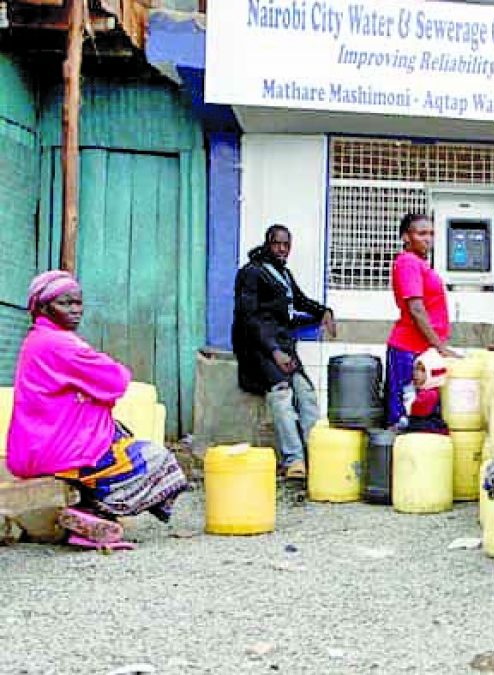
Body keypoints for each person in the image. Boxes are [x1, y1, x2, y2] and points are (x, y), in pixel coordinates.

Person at [6, 271, 189, 551]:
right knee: (159, 461)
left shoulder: (38, 340)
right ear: (43, 308)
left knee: (116, 432)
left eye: (78, 303)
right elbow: (116, 379)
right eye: (65, 303)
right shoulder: (60, 344)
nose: (76, 310)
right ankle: (94, 513)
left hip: (33, 448)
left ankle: (88, 514)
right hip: (55, 449)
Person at [233, 224, 335, 480]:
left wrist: (324, 311)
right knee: (282, 396)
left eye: (286, 245)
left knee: (307, 396)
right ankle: (294, 460)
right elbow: (249, 319)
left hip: (283, 347)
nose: (282, 249)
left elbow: (299, 302)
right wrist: (274, 351)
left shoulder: (283, 274)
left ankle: (318, 455)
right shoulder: (252, 273)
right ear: (267, 243)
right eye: (277, 243)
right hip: (259, 349)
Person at [388, 214, 454, 431]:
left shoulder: (420, 264)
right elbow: (416, 309)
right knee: (407, 418)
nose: (428, 239)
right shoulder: (408, 262)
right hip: (409, 351)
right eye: (421, 233)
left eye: (431, 234)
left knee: (424, 418)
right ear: (406, 237)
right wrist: (441, 347)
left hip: (423, 353)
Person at [396, 349, 449, 434]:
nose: (416, 373)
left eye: (422, 370)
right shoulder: (424, 390)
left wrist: (409, 397)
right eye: (415, 369)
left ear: (433, 374)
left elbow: (413, 410)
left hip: (429, 432)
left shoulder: (430, 394)